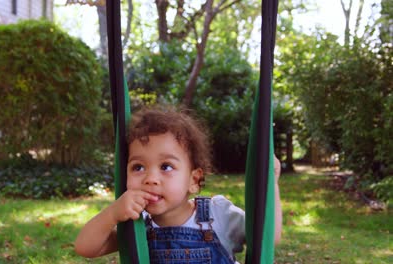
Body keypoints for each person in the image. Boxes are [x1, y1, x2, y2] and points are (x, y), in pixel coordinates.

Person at [75, 105, 282, 263]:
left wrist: (271, 183)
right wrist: (112, 214)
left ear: (193, 180)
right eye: (138, 167)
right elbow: (86, 248)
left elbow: (268, 237)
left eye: (165, 166)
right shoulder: (137, 225)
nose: (150, 178)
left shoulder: (217, 214)